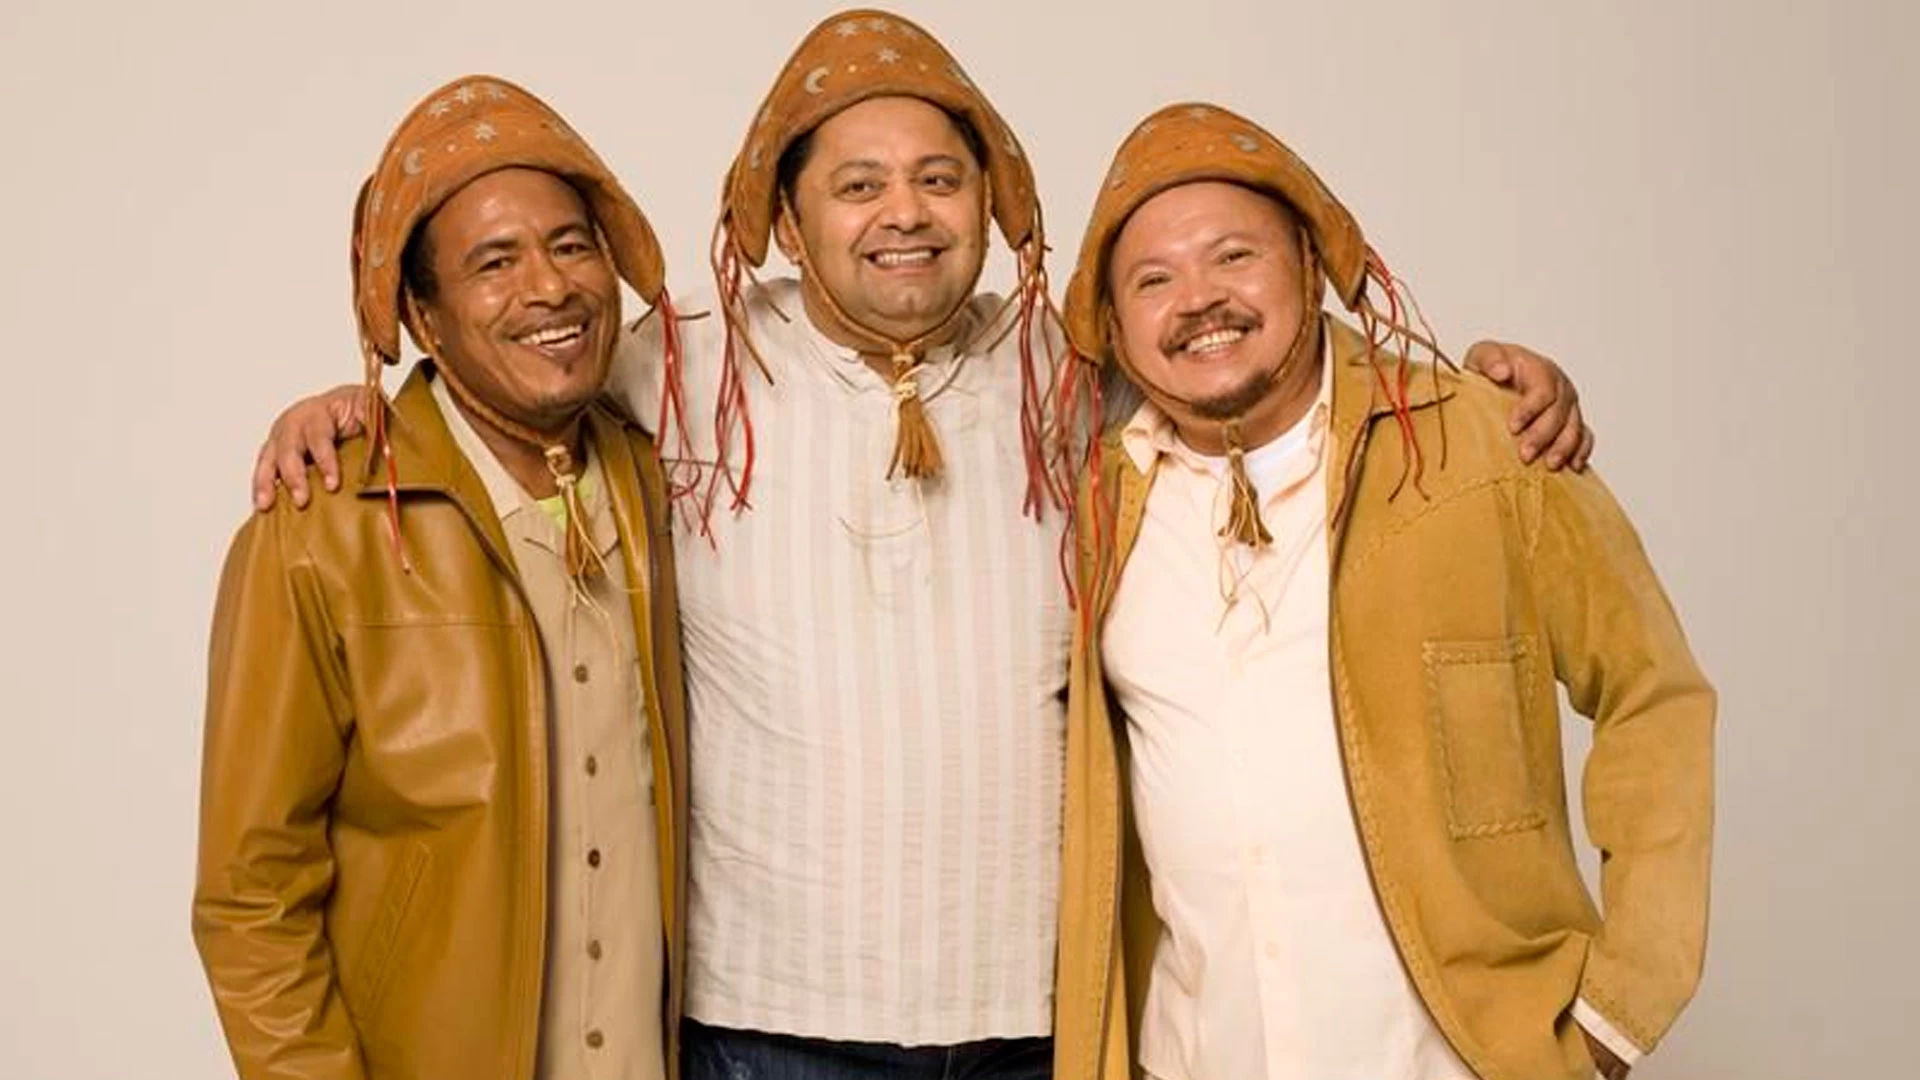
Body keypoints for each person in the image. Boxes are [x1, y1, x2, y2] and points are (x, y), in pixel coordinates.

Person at [246, 12, 1592, 1077]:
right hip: (764, 1027)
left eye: (940, 179)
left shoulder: (1076, 374)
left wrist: (1477, 384)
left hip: (1039, 1019)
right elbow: (510, 372)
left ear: (990, 204)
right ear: (787, 218)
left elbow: (1252, 351)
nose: (905, 213)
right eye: (860, 185)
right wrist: (353, 407)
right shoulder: (685, 370)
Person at [1050, 102, 1714, 1080]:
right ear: (1115, 325)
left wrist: (1622, 1005)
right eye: (1154, 279)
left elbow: (1654, 694)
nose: (1198, 299)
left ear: (1311, 265)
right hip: (1196, 1058)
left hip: (1459, 1062)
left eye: (1234, 256)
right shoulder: (1094, 504)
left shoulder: (1486, 442)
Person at [193, 76, 689, 1080]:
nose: (548, 289)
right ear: (424, 314)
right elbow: (251, 896)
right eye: (494, 263)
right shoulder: (320, 528)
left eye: (571, 246)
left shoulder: (668, 481)